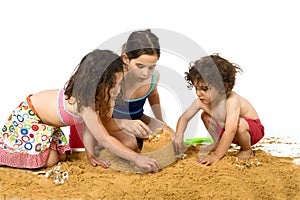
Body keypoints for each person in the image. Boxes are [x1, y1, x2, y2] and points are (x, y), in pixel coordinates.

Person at [0, 49, 159, 172]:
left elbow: (90, 126)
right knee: (51, 161)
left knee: (61, 156)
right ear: (98, 85)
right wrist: (136, 158)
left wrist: (90, 153)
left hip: (46, 125)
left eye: (119, 84)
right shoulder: (85, 103)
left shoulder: (102, 98)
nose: (118, 90)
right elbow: (103, 138)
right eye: (113, 86)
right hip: (29, 117)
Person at [174, 54, 264, 166]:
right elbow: (184, 118)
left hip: (251, 131)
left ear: (224, 87)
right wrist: (179, 135)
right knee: (205, 116)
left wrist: (216, 155)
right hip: (228, 131)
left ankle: (247, 150)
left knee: (239, 124)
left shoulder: (232, 100)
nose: (198, 93)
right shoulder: (200, 101)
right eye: (196, 88)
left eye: (204, 89)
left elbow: (231, 129)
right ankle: (218, 142)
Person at [104, 29, 168, 151]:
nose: (145, 73)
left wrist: (160, 121)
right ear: (126, 58)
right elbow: (103, 118)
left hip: (137, 118)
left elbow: (153, 95)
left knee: (169, 135)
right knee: (130, 144)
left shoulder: (154, 76)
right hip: (113, 122)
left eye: (151, 67)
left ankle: (138, 137)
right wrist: (123, 124)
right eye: (140, 66)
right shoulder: (115, 80)